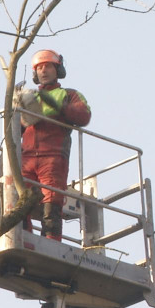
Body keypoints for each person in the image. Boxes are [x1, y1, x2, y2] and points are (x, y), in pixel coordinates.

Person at [19, 49, 91, 241]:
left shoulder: (68, 94)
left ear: (57, 69)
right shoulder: (29, 97)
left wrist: (58, 107)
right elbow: (13, 130)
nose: (43, 71)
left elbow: (83, 116)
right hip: (26, 158)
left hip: (53, 157)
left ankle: (51, 243)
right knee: (19, 200)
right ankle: (24, 239)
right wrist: (19, 112)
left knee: (51, 202)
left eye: (48, 66)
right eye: (39, 68)